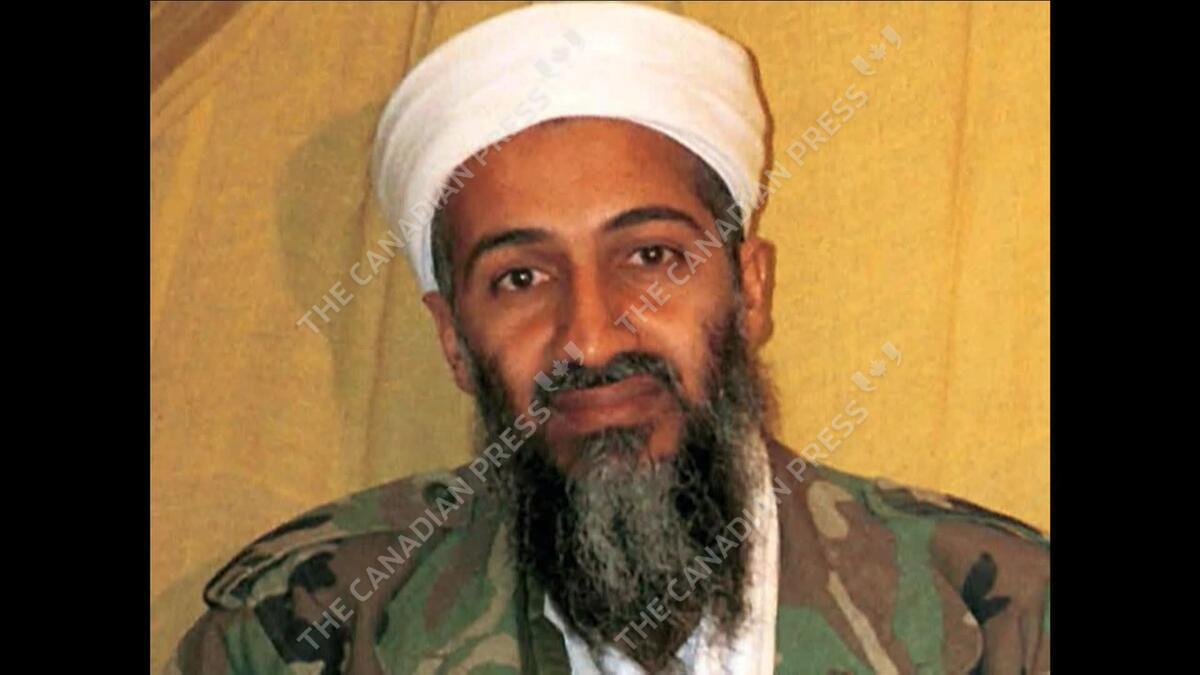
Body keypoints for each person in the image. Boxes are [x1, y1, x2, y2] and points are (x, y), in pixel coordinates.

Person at [170, 3, 1049, 673]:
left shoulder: (1006, 620)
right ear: (452, 338)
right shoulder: (306, 633)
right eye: (520, 277)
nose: (589, 337)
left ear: (749, 288)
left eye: (652, 256)